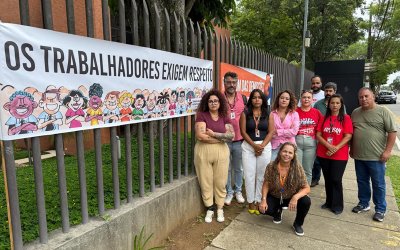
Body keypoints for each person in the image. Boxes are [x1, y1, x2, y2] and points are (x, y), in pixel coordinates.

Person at [350, 87, 397, 222]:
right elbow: (353, 133)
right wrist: (352, 149)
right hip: (359, 156)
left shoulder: (383, 112)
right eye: (361, 97)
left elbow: (392, 132)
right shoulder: (355, 112)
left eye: (366, 96)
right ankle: (364, 203)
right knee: (362, 181)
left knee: (378, 184)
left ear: (373, 96)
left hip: (377, 157)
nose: (363, 99)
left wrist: (388, 151)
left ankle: (380, 209)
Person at [194, 89, 234, 223]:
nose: (213, 103)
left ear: (220, 102)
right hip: (203, 152)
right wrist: (221, 138)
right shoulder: (201, 115)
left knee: (220, 181)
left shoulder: (224, 116)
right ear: (207, 103)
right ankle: (210, 208)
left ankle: (220, 208)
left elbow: (231, 135)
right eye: (210, 101)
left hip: (221, 153)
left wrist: (213, 134)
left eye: (216, 101)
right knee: (205, 181)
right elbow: (200, 136)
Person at [259, 142, 311, 236]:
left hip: (290, 197)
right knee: (263, 210)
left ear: (293, 155)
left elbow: (307, 188)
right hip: (275, 195)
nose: (287, 154)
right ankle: (278, 212)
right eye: (285, 151)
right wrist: (263, 200)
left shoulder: (297, 167)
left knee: (306, 201)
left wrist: (295, 197)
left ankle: (298, 224)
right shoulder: (271, 166)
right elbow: (266, 184)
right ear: (280, 152)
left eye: (290, 153)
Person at [316, 94, 353, 215]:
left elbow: (348, 136)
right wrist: (328, 146)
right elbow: (318, 134)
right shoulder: (324, 117)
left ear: (341, 105)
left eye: (337, 103)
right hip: (324, 153)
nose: (335, 105)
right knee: (327, 179)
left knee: (336, 179)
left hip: (339, 155)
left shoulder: (346, 118)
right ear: (328, 104)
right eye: (332, 103)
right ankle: (329, 202)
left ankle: (337, 205)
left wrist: (335, 147)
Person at [240, 89, 274, 214]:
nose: (257, 100)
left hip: (264, 146)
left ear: (263, 99)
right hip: (249, 146)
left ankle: (259, 200)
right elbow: (243, 132)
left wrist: (262, 146)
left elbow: (271, 131)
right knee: (249, 175)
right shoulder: (245, 113)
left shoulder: (268, 113)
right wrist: (254, 146)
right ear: (251, 100)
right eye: (254, 97)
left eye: (259, 97)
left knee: (262, 175)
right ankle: (250, 201)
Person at [223, 72, 246, 205]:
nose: (231, 85)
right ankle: (229, 192)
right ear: (224, 82)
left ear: (237, 83)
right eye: (228, 82)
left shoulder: (243, 98)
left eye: (234, 82)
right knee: (226, 168)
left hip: (239, 140)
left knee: (238, 168)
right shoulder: (219, 98)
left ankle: (238, 191)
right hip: (225, 140)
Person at [311, 82, 339, 187]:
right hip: (320, 136)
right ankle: (315, 178)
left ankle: (332, 179)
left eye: (330, 91)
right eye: (326, 91)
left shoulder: (340, 104)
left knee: (333, 161)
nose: (328, 93)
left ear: (334, 92)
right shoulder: (318, 104)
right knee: (317, 161)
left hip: (335, 136)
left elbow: (343, 119)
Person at [295, 90, 323, 184]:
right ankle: (295, 191)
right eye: (304, 97)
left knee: (308, 169)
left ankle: (305, 193)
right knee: (296, 168)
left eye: (308, 97)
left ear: (312, 100)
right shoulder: (295, 111)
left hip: (311, 144)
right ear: (301, 99)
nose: (306, 99)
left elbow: (320, 129)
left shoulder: (317, 112)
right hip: (297, 143)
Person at [270, 90, 299, 160]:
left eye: (287, 99)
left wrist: (278, 132)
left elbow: (294, 131)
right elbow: (271, 132)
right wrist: (287, 131)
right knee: (271, 167)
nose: (284, 100)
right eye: (282, 98)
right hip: (274, 146)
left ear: (290, 101)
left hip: (289, 147)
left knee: (288, 169)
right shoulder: (272, 114)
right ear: (278, 99)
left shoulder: (294, 114)